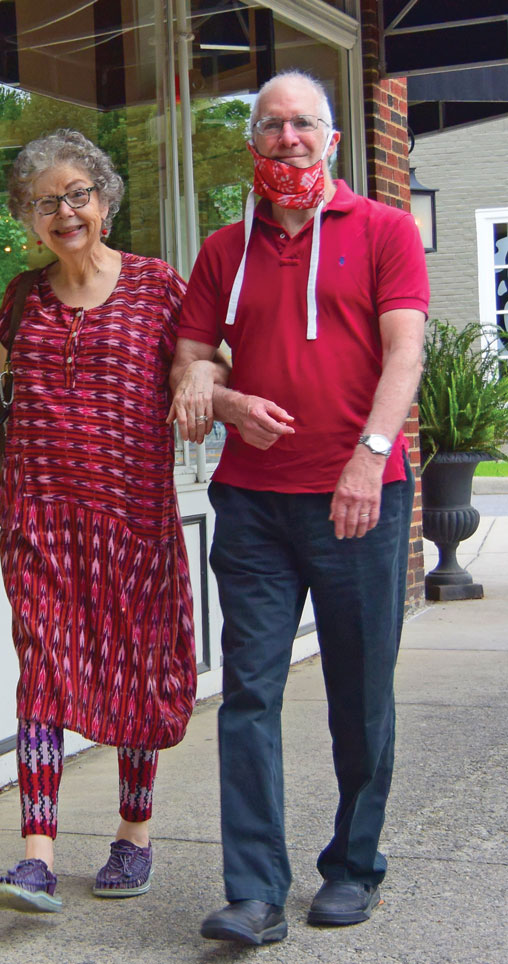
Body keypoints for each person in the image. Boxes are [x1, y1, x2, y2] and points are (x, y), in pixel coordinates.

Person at [168, 70, 429, 945]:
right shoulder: (222, 248)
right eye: (272, 125)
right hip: (252, 507)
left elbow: (405, 355)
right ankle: (253, 891)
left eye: (303, 124)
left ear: (333, 139)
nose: (288, 138)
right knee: (248, 694)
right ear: (253, 142)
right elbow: (193, 362)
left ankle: (354, 869)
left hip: (359, 504)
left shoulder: (385, 229)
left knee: (360, 697)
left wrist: (368, 459)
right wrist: (227, 400)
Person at [0, 129, 199, 914]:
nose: (64, 213)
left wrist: (206, 387)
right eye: (44, 202)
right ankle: (36, 857)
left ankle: (133, 835)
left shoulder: (160, 287)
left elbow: (201, 368)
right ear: (27, 216)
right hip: (41, 519)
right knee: (43, 679)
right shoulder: (24, 298)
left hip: (133, 520)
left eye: (76, 195)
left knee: (135, 673)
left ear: (104, 199)